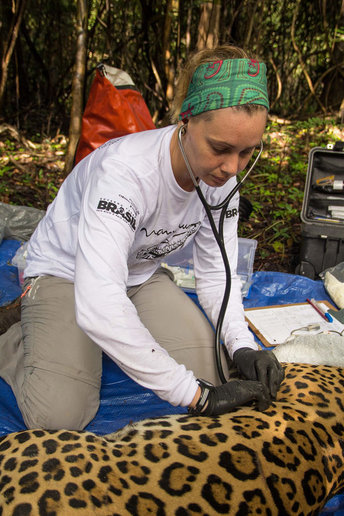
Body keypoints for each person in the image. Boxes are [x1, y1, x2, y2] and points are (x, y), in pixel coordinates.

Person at [0, 44, 284, 430]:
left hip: (138, 272)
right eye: (220, 148)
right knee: (58, 415)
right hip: (66, 273)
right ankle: (22, 337)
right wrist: (196, 398)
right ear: (186, 121)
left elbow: (218, 274)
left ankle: (95, 341)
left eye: (248, 152)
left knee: (214, 372)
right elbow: (100, 301)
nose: (231, 168)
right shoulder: (124, 175)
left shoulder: (223, 180)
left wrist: (243, 345)